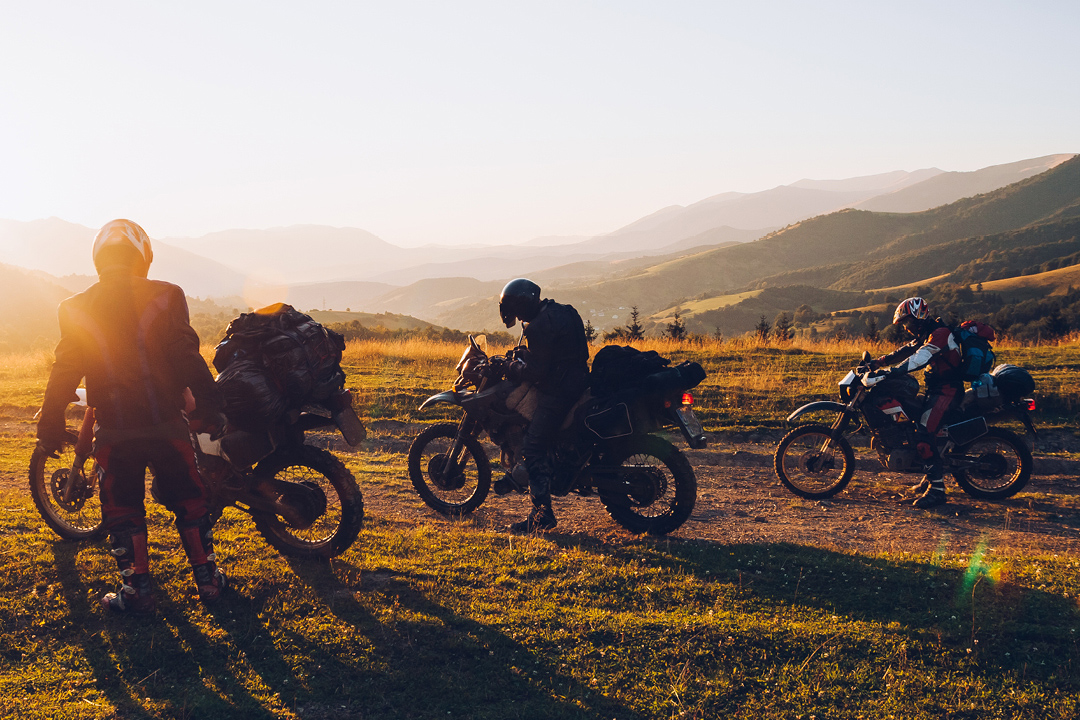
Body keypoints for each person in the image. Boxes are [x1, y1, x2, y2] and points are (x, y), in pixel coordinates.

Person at [36, 219, 228, 614]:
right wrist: (210, 406)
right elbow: (186, 355)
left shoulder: (73, 307)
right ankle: (208, 582)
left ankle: (136, 590)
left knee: (122, 507)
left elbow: (65, 370)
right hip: (167, 425)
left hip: (115, 431)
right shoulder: (168, 295)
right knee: (190, 501)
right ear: (143, 257)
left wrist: (50, 421)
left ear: (98, 258)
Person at [497, 278, 589, 532]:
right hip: (579, 379)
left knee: (533, 447)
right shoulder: (564, 311)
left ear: (522, 307)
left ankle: (542, 515)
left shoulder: (537, 327)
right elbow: (558, 353)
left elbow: (537, 373)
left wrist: (513, 366)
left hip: (560, 392)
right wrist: (528, 356)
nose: (515, 316)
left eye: (515, 310)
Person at [870, 297, 963, 509]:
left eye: (907, 322)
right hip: (937, 390)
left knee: (924, 433)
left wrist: (891, 372)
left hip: (948, 392)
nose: (906, 327)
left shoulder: (940, 334)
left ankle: (937, 491)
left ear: (918, 317)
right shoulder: (927, 333)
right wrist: (877, 362)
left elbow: (919, 358)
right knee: (912, 423)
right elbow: (906, 350)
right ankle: (929, 477)